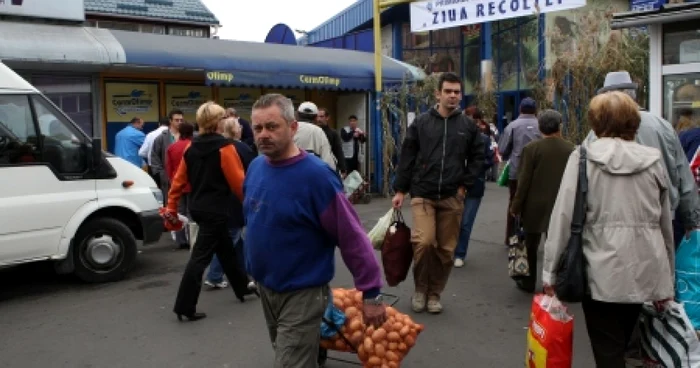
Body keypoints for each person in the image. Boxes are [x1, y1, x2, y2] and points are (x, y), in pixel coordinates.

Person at [245, 93, 385, 367]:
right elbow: (253, 219)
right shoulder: (255, 167)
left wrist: (371, 292)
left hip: (303, 293)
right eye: (258, 128)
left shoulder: (316, 177)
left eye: (272, 126)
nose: (263, 135)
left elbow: (352, 236)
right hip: (266, 288)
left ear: (293, 127)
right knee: (291, 356)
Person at [543, 91, 674, 367]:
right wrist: (667, 278)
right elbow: (665, 223)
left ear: (595, 122)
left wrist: (550, 271)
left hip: (599, 269)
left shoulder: (582, 157)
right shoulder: (653, 159)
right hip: (645, 265)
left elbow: (563, 217)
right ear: (632, 122)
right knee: (627, 338)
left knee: (607, 347)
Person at [392, 72, 485, 314]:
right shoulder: (422, 123)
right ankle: (420, 289)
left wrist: (465, 184)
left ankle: (435, 293)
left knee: (446, 250)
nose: (453, 95)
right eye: (448, 91)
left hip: (452, 195)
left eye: (456, 92)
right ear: (438, 94)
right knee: (423, 242)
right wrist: (400, 189)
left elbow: (478, 156)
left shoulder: (467, 126)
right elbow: (408, 155)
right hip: (423, 193)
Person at [585, 71, 700, 247]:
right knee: (662, 270)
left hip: (612, 223)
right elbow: (683, 177)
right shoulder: (663, 127)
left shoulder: (595, 135)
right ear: (633, 96)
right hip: (662, 219)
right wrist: (692, 221)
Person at [166, 102, 252, 322]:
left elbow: (178, 182)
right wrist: (253, 209)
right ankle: (184, 305)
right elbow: (239, 184)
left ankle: (242, 287)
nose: (226, 121)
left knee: (226, 250)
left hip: (199, 207)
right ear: (217, 122)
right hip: (217, 209)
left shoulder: (190, 147)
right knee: (199, 258)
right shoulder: (225, 148)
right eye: (223, 117)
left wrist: (172, 206)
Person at [509, 110, 574, 292]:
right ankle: (557, 283)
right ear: (559, 126)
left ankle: (528, 281)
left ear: (540, 127)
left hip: (534, 206)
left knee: (531, 244)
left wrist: (516, 206)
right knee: (559, 245)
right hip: (561, 204)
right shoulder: (571, 149)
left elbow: (524, 181)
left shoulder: (531, 149)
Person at [205, 117, 256, 291]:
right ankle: (214, 276)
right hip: (236, 200)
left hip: (219, 199)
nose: (242, 128)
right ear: (234, 130)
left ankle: (246, 273)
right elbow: (252, 173)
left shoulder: (218, 148)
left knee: (236, 240)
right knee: (231, 238)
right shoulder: (241, 148)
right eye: (239, 126)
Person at [499, 98, 542, 246]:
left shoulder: (512, 126)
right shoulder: (541, 125)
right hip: (537, 172)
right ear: (535, 110)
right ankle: (532, 238)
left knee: (514, 203)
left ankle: (511, 237)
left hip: (517, 171)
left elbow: (503, 149)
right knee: (534, 205)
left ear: (520, 110)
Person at [453, 116, 494, 268]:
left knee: (466, 222)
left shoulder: (484, 140)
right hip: (454, 185)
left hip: (475, 184)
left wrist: (474, 167)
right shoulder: (455, 136)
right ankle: (450, 249)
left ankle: (460, 253)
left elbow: (490, 160)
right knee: (451, 220)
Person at [165, 121, 195, 250]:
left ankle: (180, 240)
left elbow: (169, 168)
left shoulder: (172, 148)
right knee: (192, 213)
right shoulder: (194, 146)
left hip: (178, 185)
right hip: (193, 184)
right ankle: (193, 239)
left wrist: (173, 182)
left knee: (179, 213)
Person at [151, 109, 184, 206]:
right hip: (168, 177)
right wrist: (162, 174)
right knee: (170, 205)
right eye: (176, 120)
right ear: (170, 121)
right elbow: (155, 157)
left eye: (181, 120)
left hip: (184, 177)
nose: (179, 122)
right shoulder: (162, 138)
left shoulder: (187, 136)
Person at [294, 101, 337, 170]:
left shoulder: (290, 129)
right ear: (316, 117)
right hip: (312, 175)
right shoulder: (318, 131)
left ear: (297, 115)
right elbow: (328, 162)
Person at [140, 116, 170, 186]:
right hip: (170, 168)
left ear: (159, 124)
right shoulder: (174, 135)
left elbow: (141, 153)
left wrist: (150, 156)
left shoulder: (150, 135)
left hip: (153, 168)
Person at [317, 107, 347, 176]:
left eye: (321, 117)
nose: (319, 119)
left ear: (327, 118)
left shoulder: (333, 133)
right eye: (317, 117)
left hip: (329, 166)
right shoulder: (313, 131)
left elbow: (338, 151)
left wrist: (342, 168)